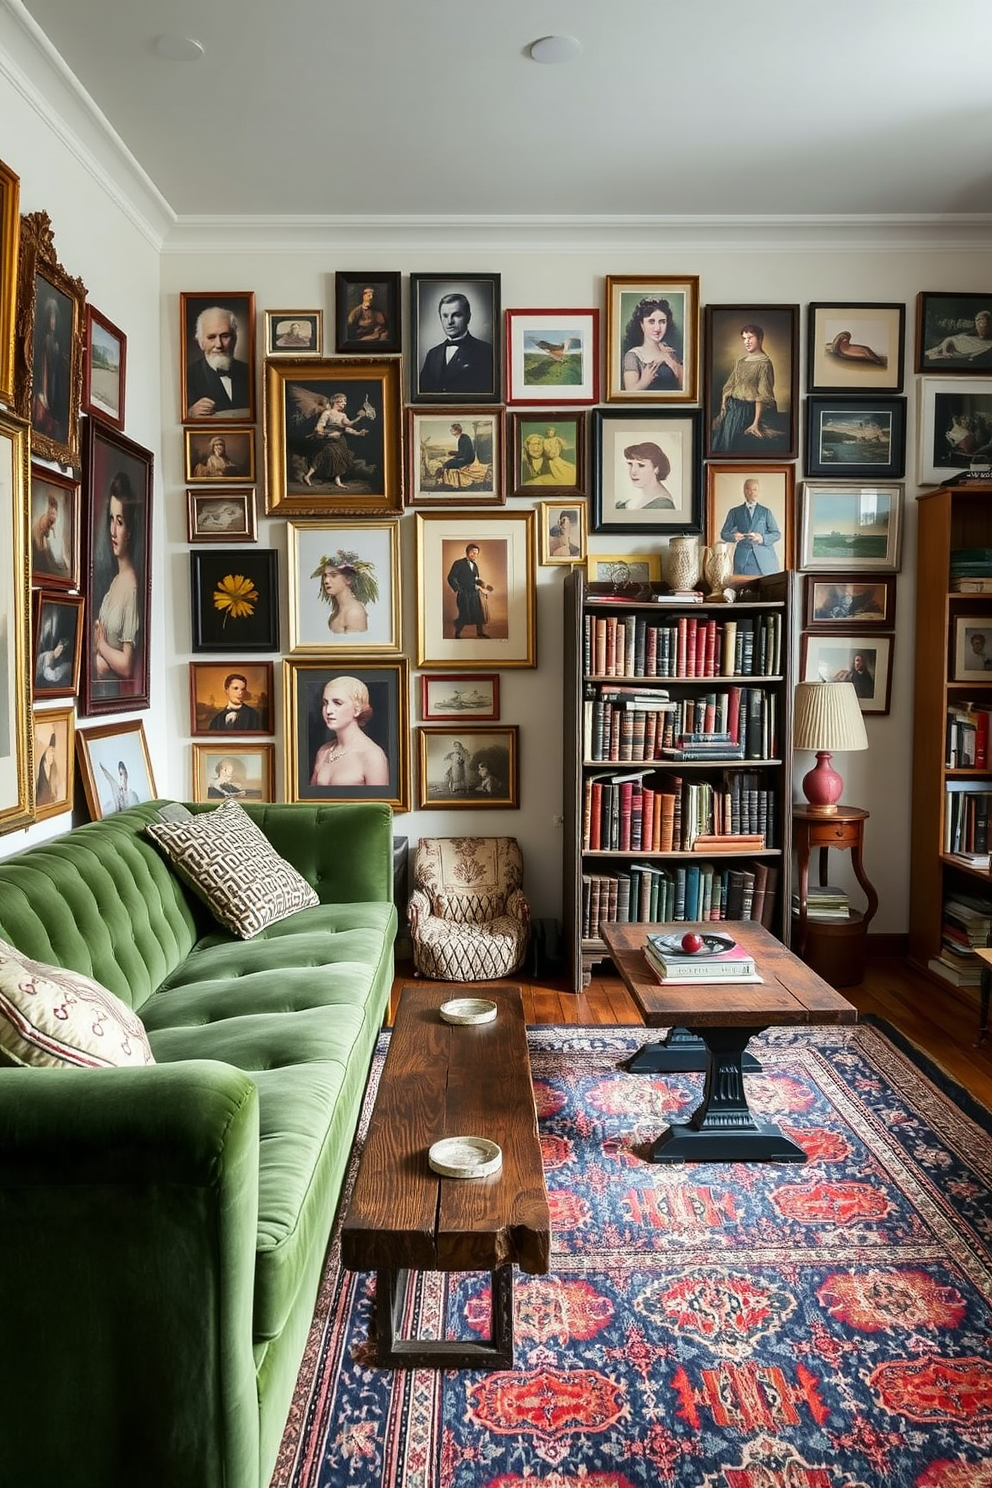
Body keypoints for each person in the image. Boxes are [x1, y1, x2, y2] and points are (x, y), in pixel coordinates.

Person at [93, 471, 141, 696]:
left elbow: (126, 665)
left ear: (129, 530)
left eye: (119, 522)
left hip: (111, 695)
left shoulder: (130, 586)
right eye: (111, 519)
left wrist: (101, 648)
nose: (112, 531)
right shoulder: (115, 581)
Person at [711, 323, 780, 451]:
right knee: (722, 445)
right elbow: (731, 385)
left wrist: (755, 423)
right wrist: (725, 404)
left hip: (747, 412)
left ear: (760, 338)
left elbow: (762, 396)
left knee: (734, 446)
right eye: (744, 339)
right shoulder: (741, 362)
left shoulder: (764, 364)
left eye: (750, 338)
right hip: (731, 410)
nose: (747, 342)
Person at [310, 676, 390, 787]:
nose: (328, 711)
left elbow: (379, 804)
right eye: (325, 703)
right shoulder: (324, 751)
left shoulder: (373, 756)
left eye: (337, 703)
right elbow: (310, 800)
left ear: (357, 710)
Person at [419, 292, 493, 396]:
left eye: (456, 315)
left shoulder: (486, 352)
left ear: (468, 317)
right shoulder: (432, 354)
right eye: (445, 316)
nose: (449, 321)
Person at [186, 306, 252, 419]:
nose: (219, 345)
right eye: (211, 337)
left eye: (225, 336)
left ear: (235, 339)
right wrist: (189, 413)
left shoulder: (250, 372)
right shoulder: (187, 375)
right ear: (200, 342)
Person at [302, 392, 372, 488]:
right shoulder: (327, 413)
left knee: (340, 458)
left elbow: (347, 426)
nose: (345, 404)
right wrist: (327, 435)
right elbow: (319, 427)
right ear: (336, 401)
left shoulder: (343, 415)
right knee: (328, 453)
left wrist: (358, 431)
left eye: (345, 402)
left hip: (340, 440)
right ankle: (308, 476)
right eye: (343, 402)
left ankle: (337, 480)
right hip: (327, 439)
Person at [720, 477, 782, 575]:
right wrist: (733, 537)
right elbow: (724, 533)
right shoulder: (735, 512)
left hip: (765, 560)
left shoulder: (765, 512)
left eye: (754, 489)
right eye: (748, 489)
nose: (751, 492)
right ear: (744, 491)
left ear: (758, 492)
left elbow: (776, 534)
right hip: (743, 559)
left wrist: (762, 538)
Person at [621, 297, 684, 392]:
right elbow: (629, 392)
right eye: (651, 322)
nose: (657, 328)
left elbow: (685, 388)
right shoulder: (633, 356)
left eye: (662, 322)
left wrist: (670, 360)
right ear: (642, 325)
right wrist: (644, 382)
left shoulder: (670, 352)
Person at [312, 549, 378, 634]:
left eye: (333, 575)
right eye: (325, 576)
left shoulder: (354, 613)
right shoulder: (335, 612)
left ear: (348, 579)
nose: (326, 581)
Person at [32, 295, 68, 443]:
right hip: (44, 381)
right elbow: (43, 365)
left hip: (52, 382)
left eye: (54, 319)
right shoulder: (44, 341)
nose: (52, 322)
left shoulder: (55, 344)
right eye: (50, 318)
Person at [446, 543, 493, 638]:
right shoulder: (458, 563)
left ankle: (480, 632)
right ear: (467, 552)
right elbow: (451, 577)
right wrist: (458, 589)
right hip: (464, 594)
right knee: (464, 614)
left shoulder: (475, 565)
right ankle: (457, 633)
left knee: (478, 613)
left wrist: (482, 583)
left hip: (474, 594)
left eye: (476, 553)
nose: (475, 555)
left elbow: (475, 579)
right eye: (473, 553)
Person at [618, 441, 676, 509]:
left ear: (656, 468)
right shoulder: (636, 499)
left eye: (641, 465)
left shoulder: (663, 505)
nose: (633, 471)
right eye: (630, 464)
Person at [927, 309, 992, 366]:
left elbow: (969, 356)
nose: (980, 325)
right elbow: (949, 340)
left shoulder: (988, 345)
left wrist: (947, 356)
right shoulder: (967, 336)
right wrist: (945, 352)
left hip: (952, 359)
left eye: (984, 322)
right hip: (939, 351)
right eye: (978, 321)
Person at [32, 490, 68, 577]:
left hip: (43, 535)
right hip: (37, 537)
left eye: (55, 514)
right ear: (49, 512)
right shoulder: (44, 520)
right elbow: (39, 537)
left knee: (49, 552)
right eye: (52, 514)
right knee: (44, 554)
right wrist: (43, 548)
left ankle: (52, 566)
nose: (53, 516)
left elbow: (53, 530)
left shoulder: (52, 518)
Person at [36, 733, 61, 808]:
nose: (51, 755)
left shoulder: (54, 768)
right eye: (50, 752)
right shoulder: (39, 766)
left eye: (53, 754)